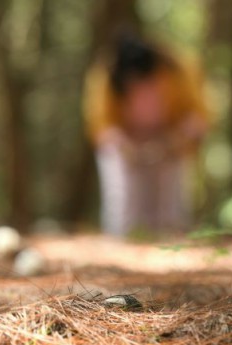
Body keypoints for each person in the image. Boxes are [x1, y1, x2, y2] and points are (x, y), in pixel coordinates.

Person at [83, 33, 209, 237]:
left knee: (171, 209)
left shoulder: (180, 68)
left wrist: (175, 140)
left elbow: (200, 118)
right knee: (124, 203)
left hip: (171, 138)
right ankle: (121, 241)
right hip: (125, 141)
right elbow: (100, 126)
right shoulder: (106, 75)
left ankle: (172, 240)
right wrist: (124, 146)